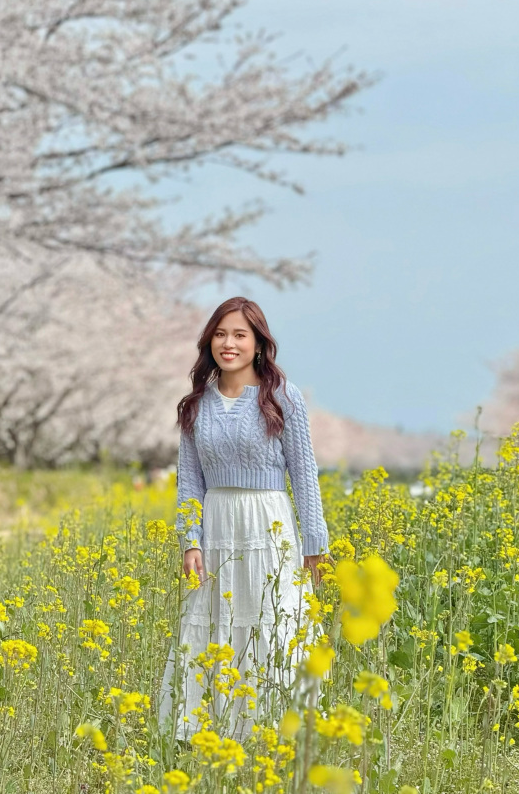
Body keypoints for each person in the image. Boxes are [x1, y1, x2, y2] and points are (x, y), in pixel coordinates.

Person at [157, 296, 331, 744]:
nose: (228, 343)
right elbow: (189, 483)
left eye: (239, 335)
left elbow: (304, 473)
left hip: (268, 525)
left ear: (258, 344)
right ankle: (205, 731)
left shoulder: (283, 397)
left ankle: (275, 730)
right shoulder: (195, 405)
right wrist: (189, 541)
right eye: (220, 334)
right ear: (209, 341)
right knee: (214, 624)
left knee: (270, 621)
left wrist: (315, 543)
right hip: (216, 526)